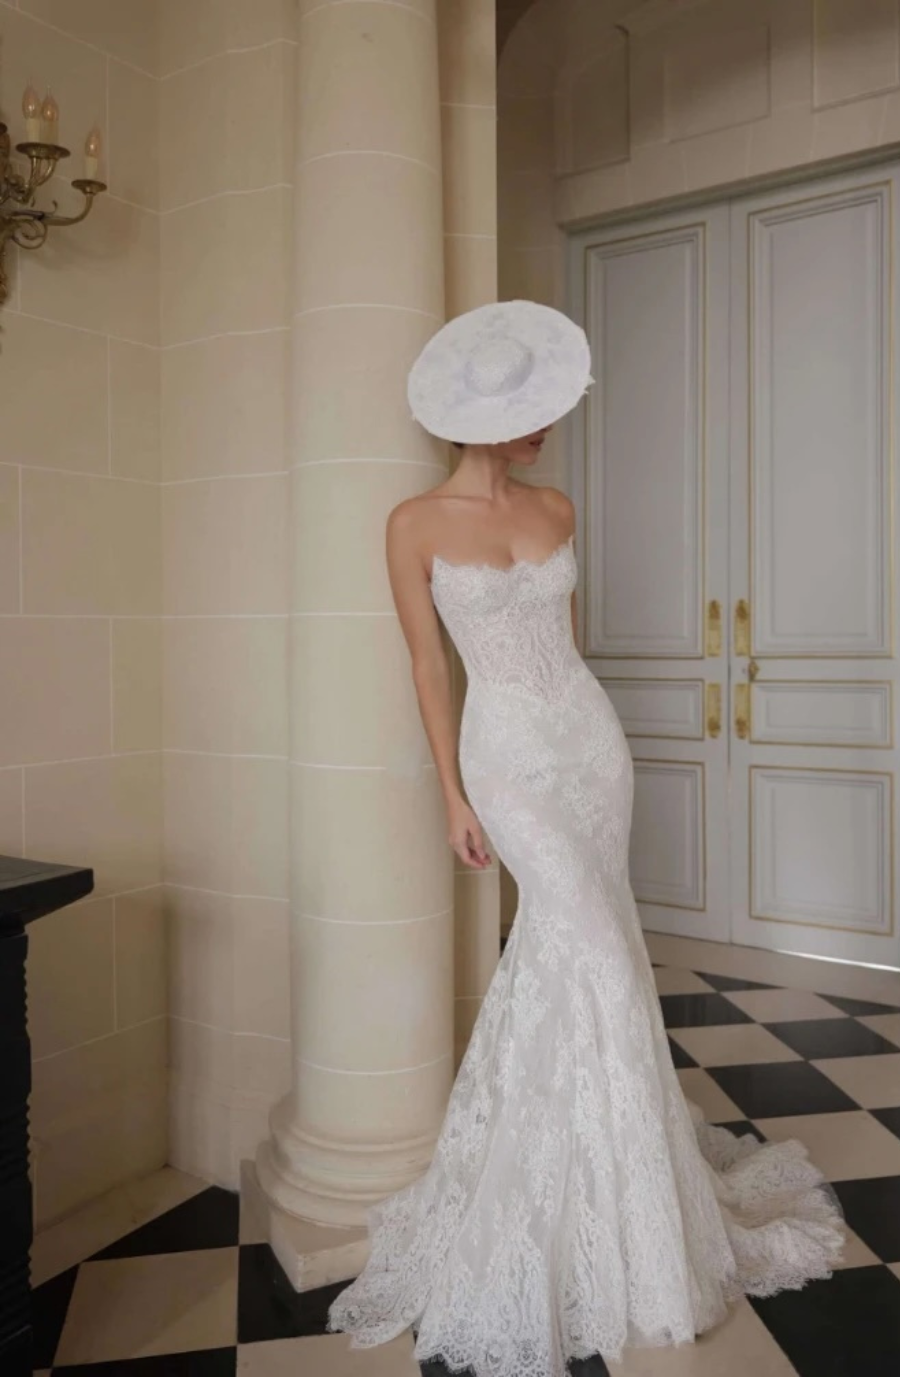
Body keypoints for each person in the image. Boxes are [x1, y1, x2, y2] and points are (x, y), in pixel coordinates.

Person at [326, 300, 845, 1377]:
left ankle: (626, 1183)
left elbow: (565, 649)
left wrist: (585, 739)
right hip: (506, 754)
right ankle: (567, 1192)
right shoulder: (412, 523)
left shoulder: (558, 506)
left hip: (589, 744)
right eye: (533, 413)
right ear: (483, 419)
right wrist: (454, 797)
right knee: (590, 951)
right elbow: (431, 668)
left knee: (598, 950)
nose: (548, 428)